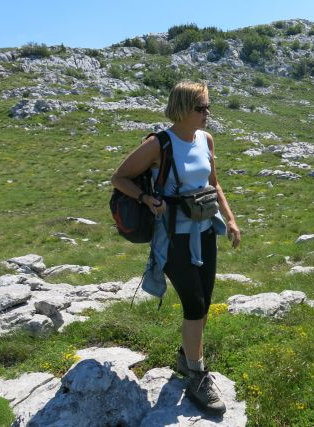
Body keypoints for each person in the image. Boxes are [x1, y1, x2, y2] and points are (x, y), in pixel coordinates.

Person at [111, 81, 241, 416]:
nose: (207, 114)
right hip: (173, 236)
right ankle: (196, 374)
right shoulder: (159, 143)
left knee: (205, 301)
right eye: (201, 108)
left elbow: (214, 183)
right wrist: (145, 198)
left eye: (208, 106)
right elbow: (120, 177)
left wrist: (230, 219)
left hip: (204, 230)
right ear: (182, 108)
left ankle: (187, 355)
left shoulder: (206, 139)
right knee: (194, 303)